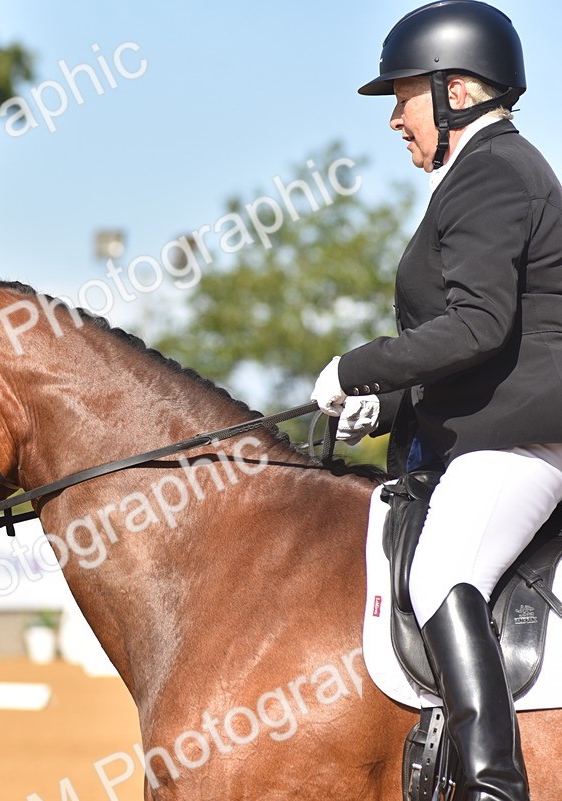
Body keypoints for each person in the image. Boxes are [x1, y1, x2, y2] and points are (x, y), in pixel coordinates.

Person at [309, 2, 562, 799]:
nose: (394, 118)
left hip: (522, 441)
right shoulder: (484, 174)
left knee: (443, 568)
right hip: (490, 430)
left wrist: (358, 367)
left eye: (403, 95)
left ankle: (494, 785)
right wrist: (382, 409)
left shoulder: (494, 172)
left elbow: (480, 325)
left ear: (456, 91)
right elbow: (480, 351)